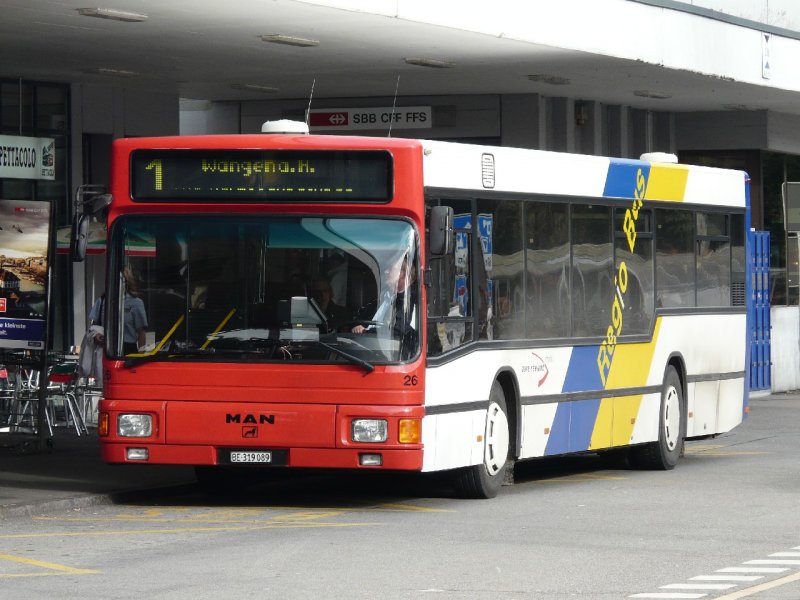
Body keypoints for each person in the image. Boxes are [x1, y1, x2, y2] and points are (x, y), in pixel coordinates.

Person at [352, 257, 418, 358]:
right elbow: (361, 316)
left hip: (392, 357)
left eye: (391, 269)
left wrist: (366, 331)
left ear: (404, 273)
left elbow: (398, 330)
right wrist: (358, 326)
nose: (386, 271)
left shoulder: (412, 301)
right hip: (365, 349)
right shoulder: (384, 296)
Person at [122, 267, 148, 354]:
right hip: (105, 347)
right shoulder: (103, 301)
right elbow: (95, 324)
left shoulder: (136, 302)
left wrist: (141, 355)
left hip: (128, 347)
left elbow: (141, 332)